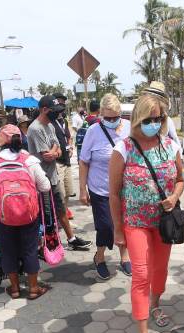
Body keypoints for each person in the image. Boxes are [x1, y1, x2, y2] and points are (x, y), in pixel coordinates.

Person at [109, 93, 184, 333]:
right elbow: (115, 193)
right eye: (150, 118)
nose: (155, 122)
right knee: (141, 274)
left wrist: (174, 197)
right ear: (138, 118)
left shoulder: (170, 146)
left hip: (163, 223)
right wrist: (118, 230)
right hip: (136, 223)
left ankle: (156, 304)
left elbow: (180, 179)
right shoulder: (123, 149)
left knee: (160, 270)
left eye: (159, 118)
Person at [0, 125, 51, 300]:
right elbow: (46, 186)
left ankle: (15, 289)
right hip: (29, 214)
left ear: (1, 141)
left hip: (3, 215)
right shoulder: (30, 160)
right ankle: (34, 288)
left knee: (8, 250)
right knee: (30, 249)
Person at [26, 95, 91, 251]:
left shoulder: (50, 125)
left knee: (61, 208)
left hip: (53, 176)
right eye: (54, 111)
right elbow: (45, 156)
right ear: (44, 110)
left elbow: (57, 149)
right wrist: (55, 152)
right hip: (41, 179)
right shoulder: (35, 128)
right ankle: (44, 245)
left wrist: (54, 152)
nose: (57, 114)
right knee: (45, 213)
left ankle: (71, 239)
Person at [79, 93, 132, 281]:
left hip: (125, 189)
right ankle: (99, 256)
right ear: (101, 114)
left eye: (115, 117)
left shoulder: (129, 127)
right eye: (107, 117)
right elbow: (84, 161)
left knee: (124, 223)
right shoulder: (93, 131)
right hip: (100, 189)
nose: (112, 121)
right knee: (106, 227)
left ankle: (124, 256)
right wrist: (82, 189)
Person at [52, 93, 76, 208]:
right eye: (58, 103)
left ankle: (65, 215)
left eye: (62, 104)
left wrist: (70, 148)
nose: (61, 107)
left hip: (67, 161)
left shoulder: (65, 122)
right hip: (57, 163)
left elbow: (69, 137)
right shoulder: (50, 123)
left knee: (68, 191)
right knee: (60, 192)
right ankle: (61, 219)